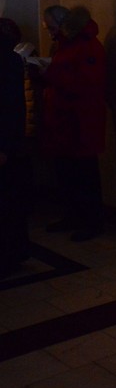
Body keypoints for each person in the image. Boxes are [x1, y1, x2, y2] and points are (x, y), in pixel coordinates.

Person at [40, 6, 107, 242]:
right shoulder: (66, 44)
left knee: (85, 175)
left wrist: (50, 74)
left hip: (81, 121)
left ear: (63, 24)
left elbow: (87, 84)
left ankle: (92, 221)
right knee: (66, 172)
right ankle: (73, 215)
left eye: (51, 27)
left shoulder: (88, 46)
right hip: (64, 121)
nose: (49, 32)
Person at [0, 18, 28, 277]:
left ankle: (10, 255)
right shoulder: (11, 60)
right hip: (9, 141)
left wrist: (5, 146)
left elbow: (10, 108)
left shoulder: (7, 62)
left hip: (5, 143)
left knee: (7, 202)